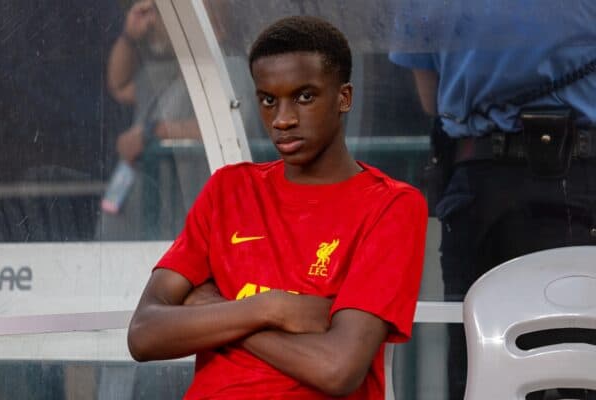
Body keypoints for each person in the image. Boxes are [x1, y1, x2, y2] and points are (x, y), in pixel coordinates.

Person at [128, 16, 428, 399]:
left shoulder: (391, 205)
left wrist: (217, 312)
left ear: (344, 98)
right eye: (269, 100)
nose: (283, 119)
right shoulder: (229, 188)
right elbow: (144, 335)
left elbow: (337, 368)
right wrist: (272, 308)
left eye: (304, 97)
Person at [389, 2, 596, 399]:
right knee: (580, 358)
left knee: (479, 362)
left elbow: (429, 98)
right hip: (582, 179)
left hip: (481, 185)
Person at [98, 0, 203, 240]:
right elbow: (119, 85)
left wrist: (151, 133)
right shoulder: (159, 71)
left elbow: (221, 126)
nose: (151, 20)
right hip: (139, 210)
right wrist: (129, 37)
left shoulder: (221, 71)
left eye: (158, 11)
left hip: (179, 210)